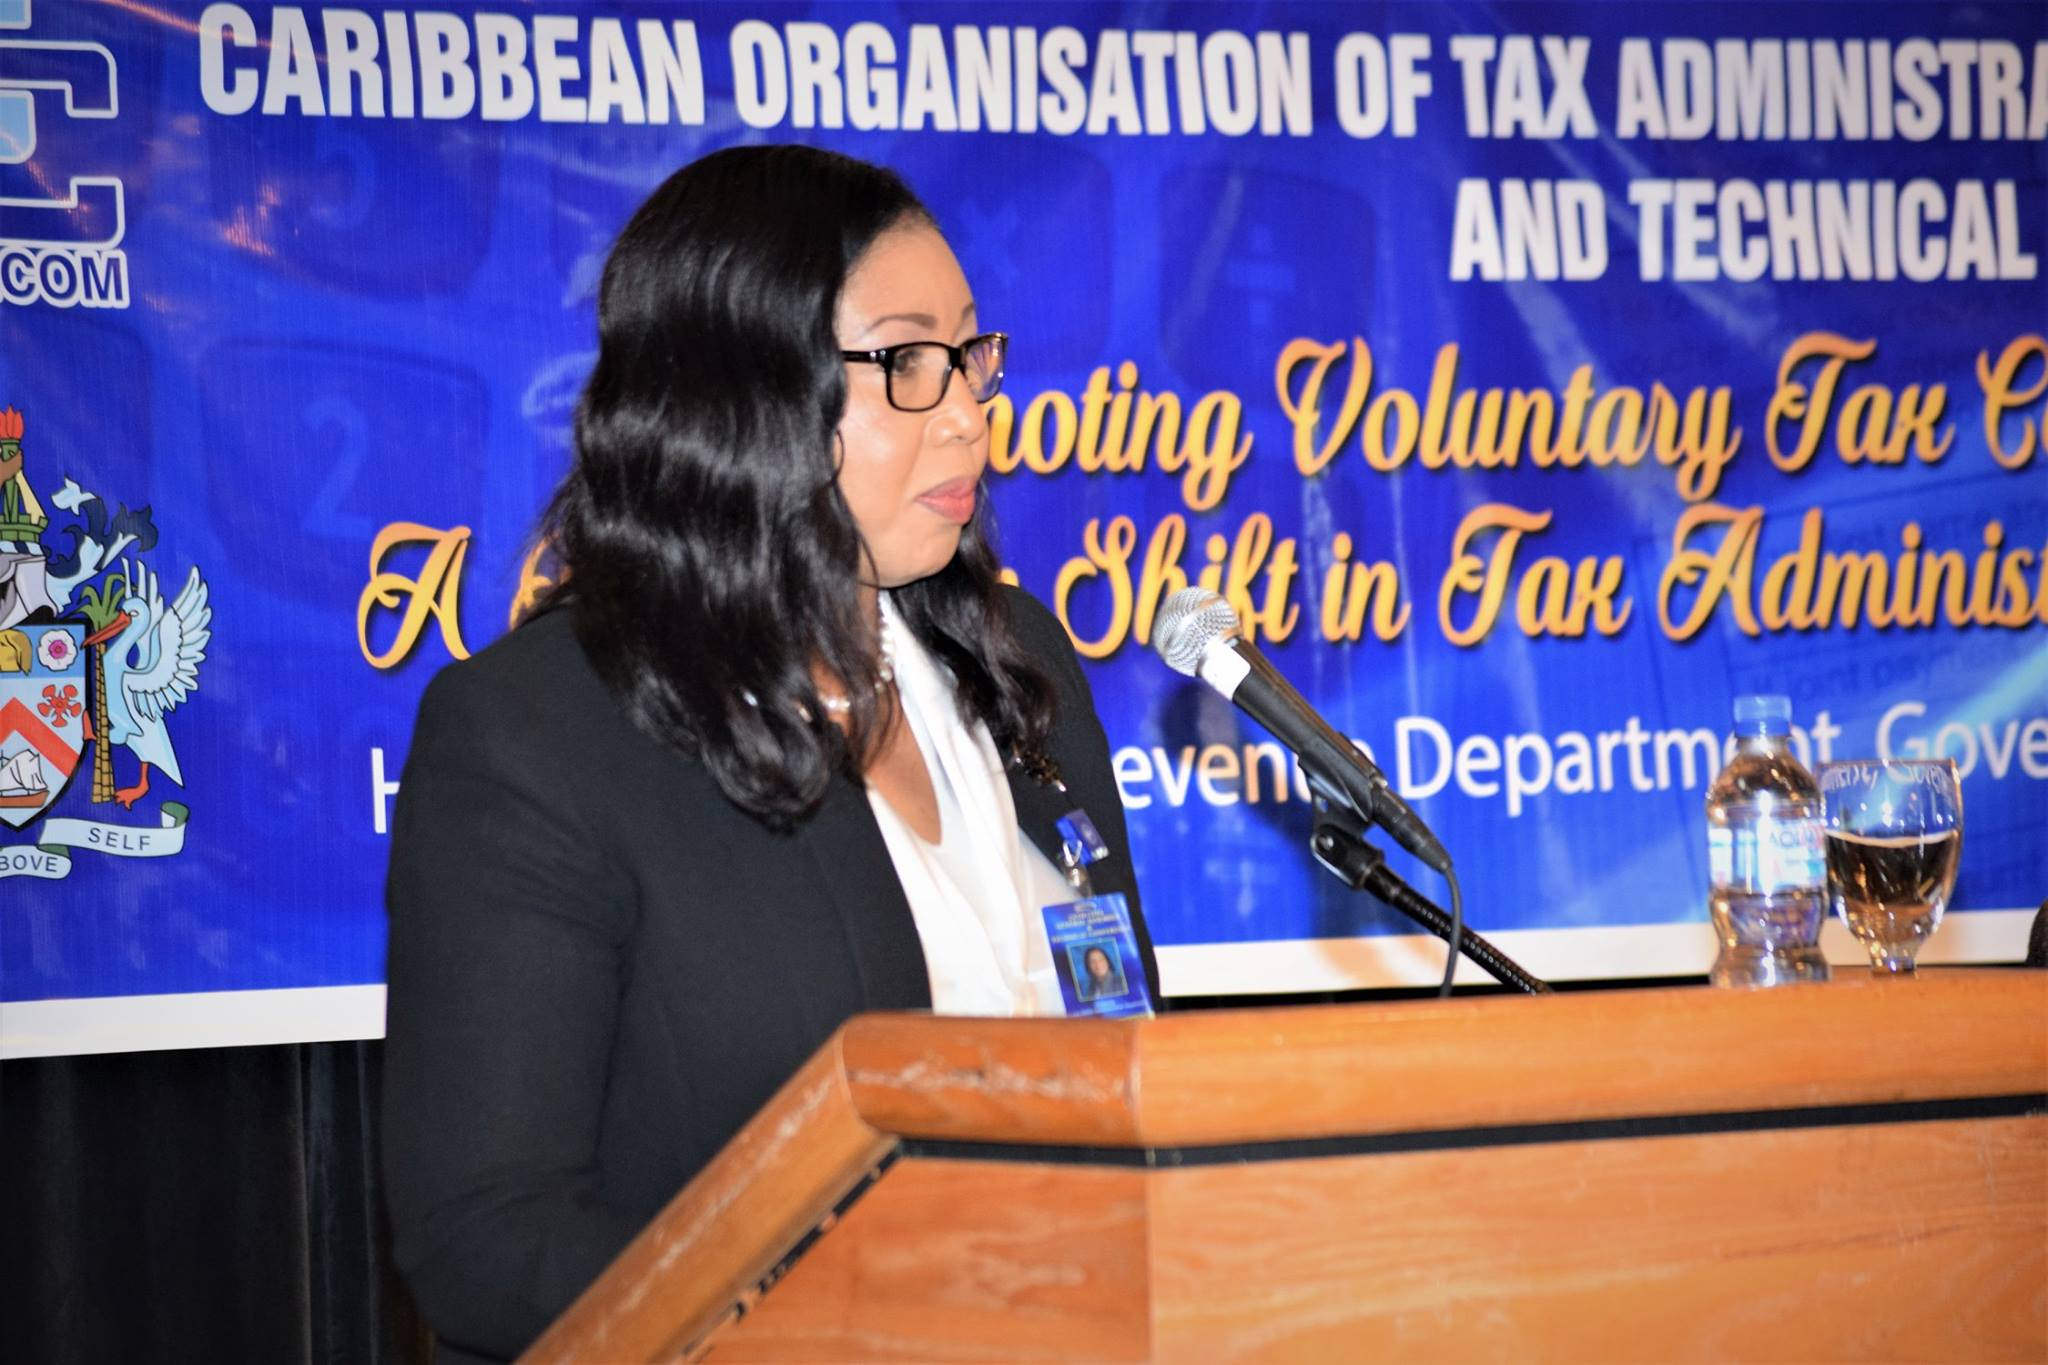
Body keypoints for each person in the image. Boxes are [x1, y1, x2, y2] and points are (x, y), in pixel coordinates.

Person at [381, 145, 1158, 1364]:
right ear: (741, 394)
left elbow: (1122, 1043)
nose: (967, 410)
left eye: (969, 354)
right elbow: (487, 1237)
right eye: (907, 361)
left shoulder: (1017, 663)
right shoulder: (543, 731)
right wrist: (850, 1324)